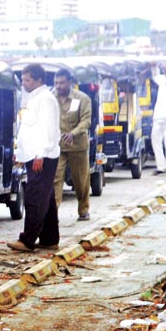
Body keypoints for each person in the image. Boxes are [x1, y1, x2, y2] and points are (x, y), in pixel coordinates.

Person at [8, 64, 61, 252]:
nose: (24, 83)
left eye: (27, 79)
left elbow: (47, 129)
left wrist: (39, 154)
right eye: (23, 79)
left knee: (35, 198)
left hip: (42, 156)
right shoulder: (35, 98)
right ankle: (49, 238)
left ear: (38, 80)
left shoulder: (45, 99)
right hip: (37, 155)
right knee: (46, 198)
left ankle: (27, 239)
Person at [51, 68, 93, 221]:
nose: (59, 86)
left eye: (62, 83)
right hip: (58, 146)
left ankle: (83, 209)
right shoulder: (51, 98)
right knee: (56, 178)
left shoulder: (82, 98)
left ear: (69, 82)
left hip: (78, 146)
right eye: (56, 83)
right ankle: (52, 214)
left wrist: (73, 133)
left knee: (80, 181)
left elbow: (86, 121)